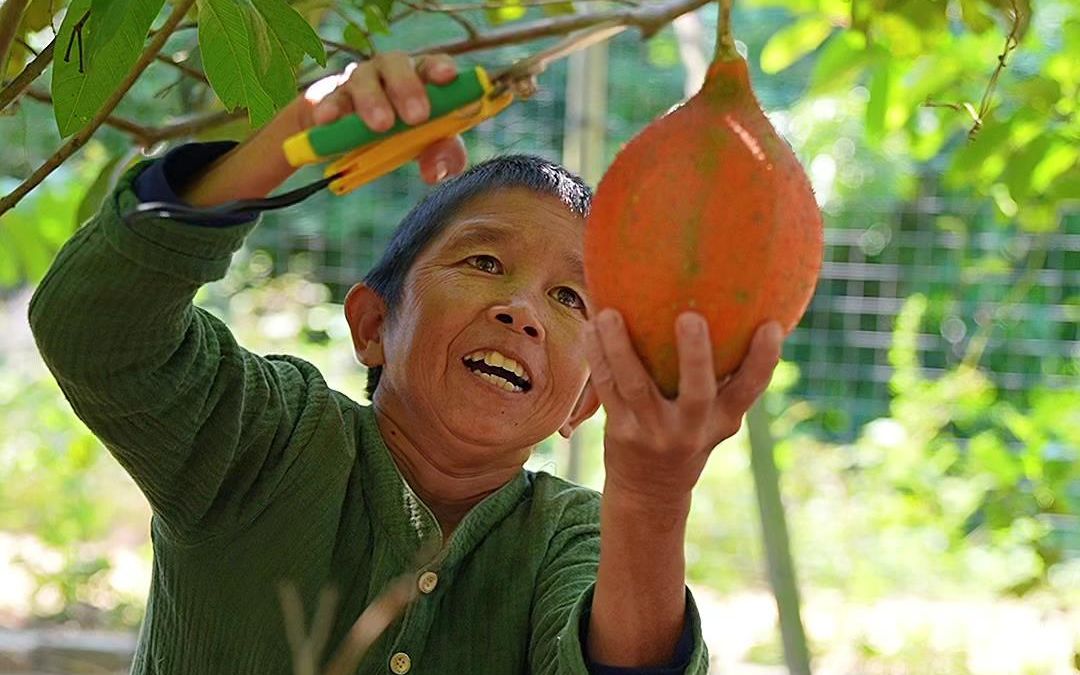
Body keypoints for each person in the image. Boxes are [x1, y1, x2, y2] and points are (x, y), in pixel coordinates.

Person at [28, 51, 783, 674]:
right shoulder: (265, 439)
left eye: (570, 298)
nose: (521, 310)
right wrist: (295, 141)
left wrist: (652, 497)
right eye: (484, 260)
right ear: (372, 325)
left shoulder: (572, 538)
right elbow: (96, 330)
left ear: (586, 403)